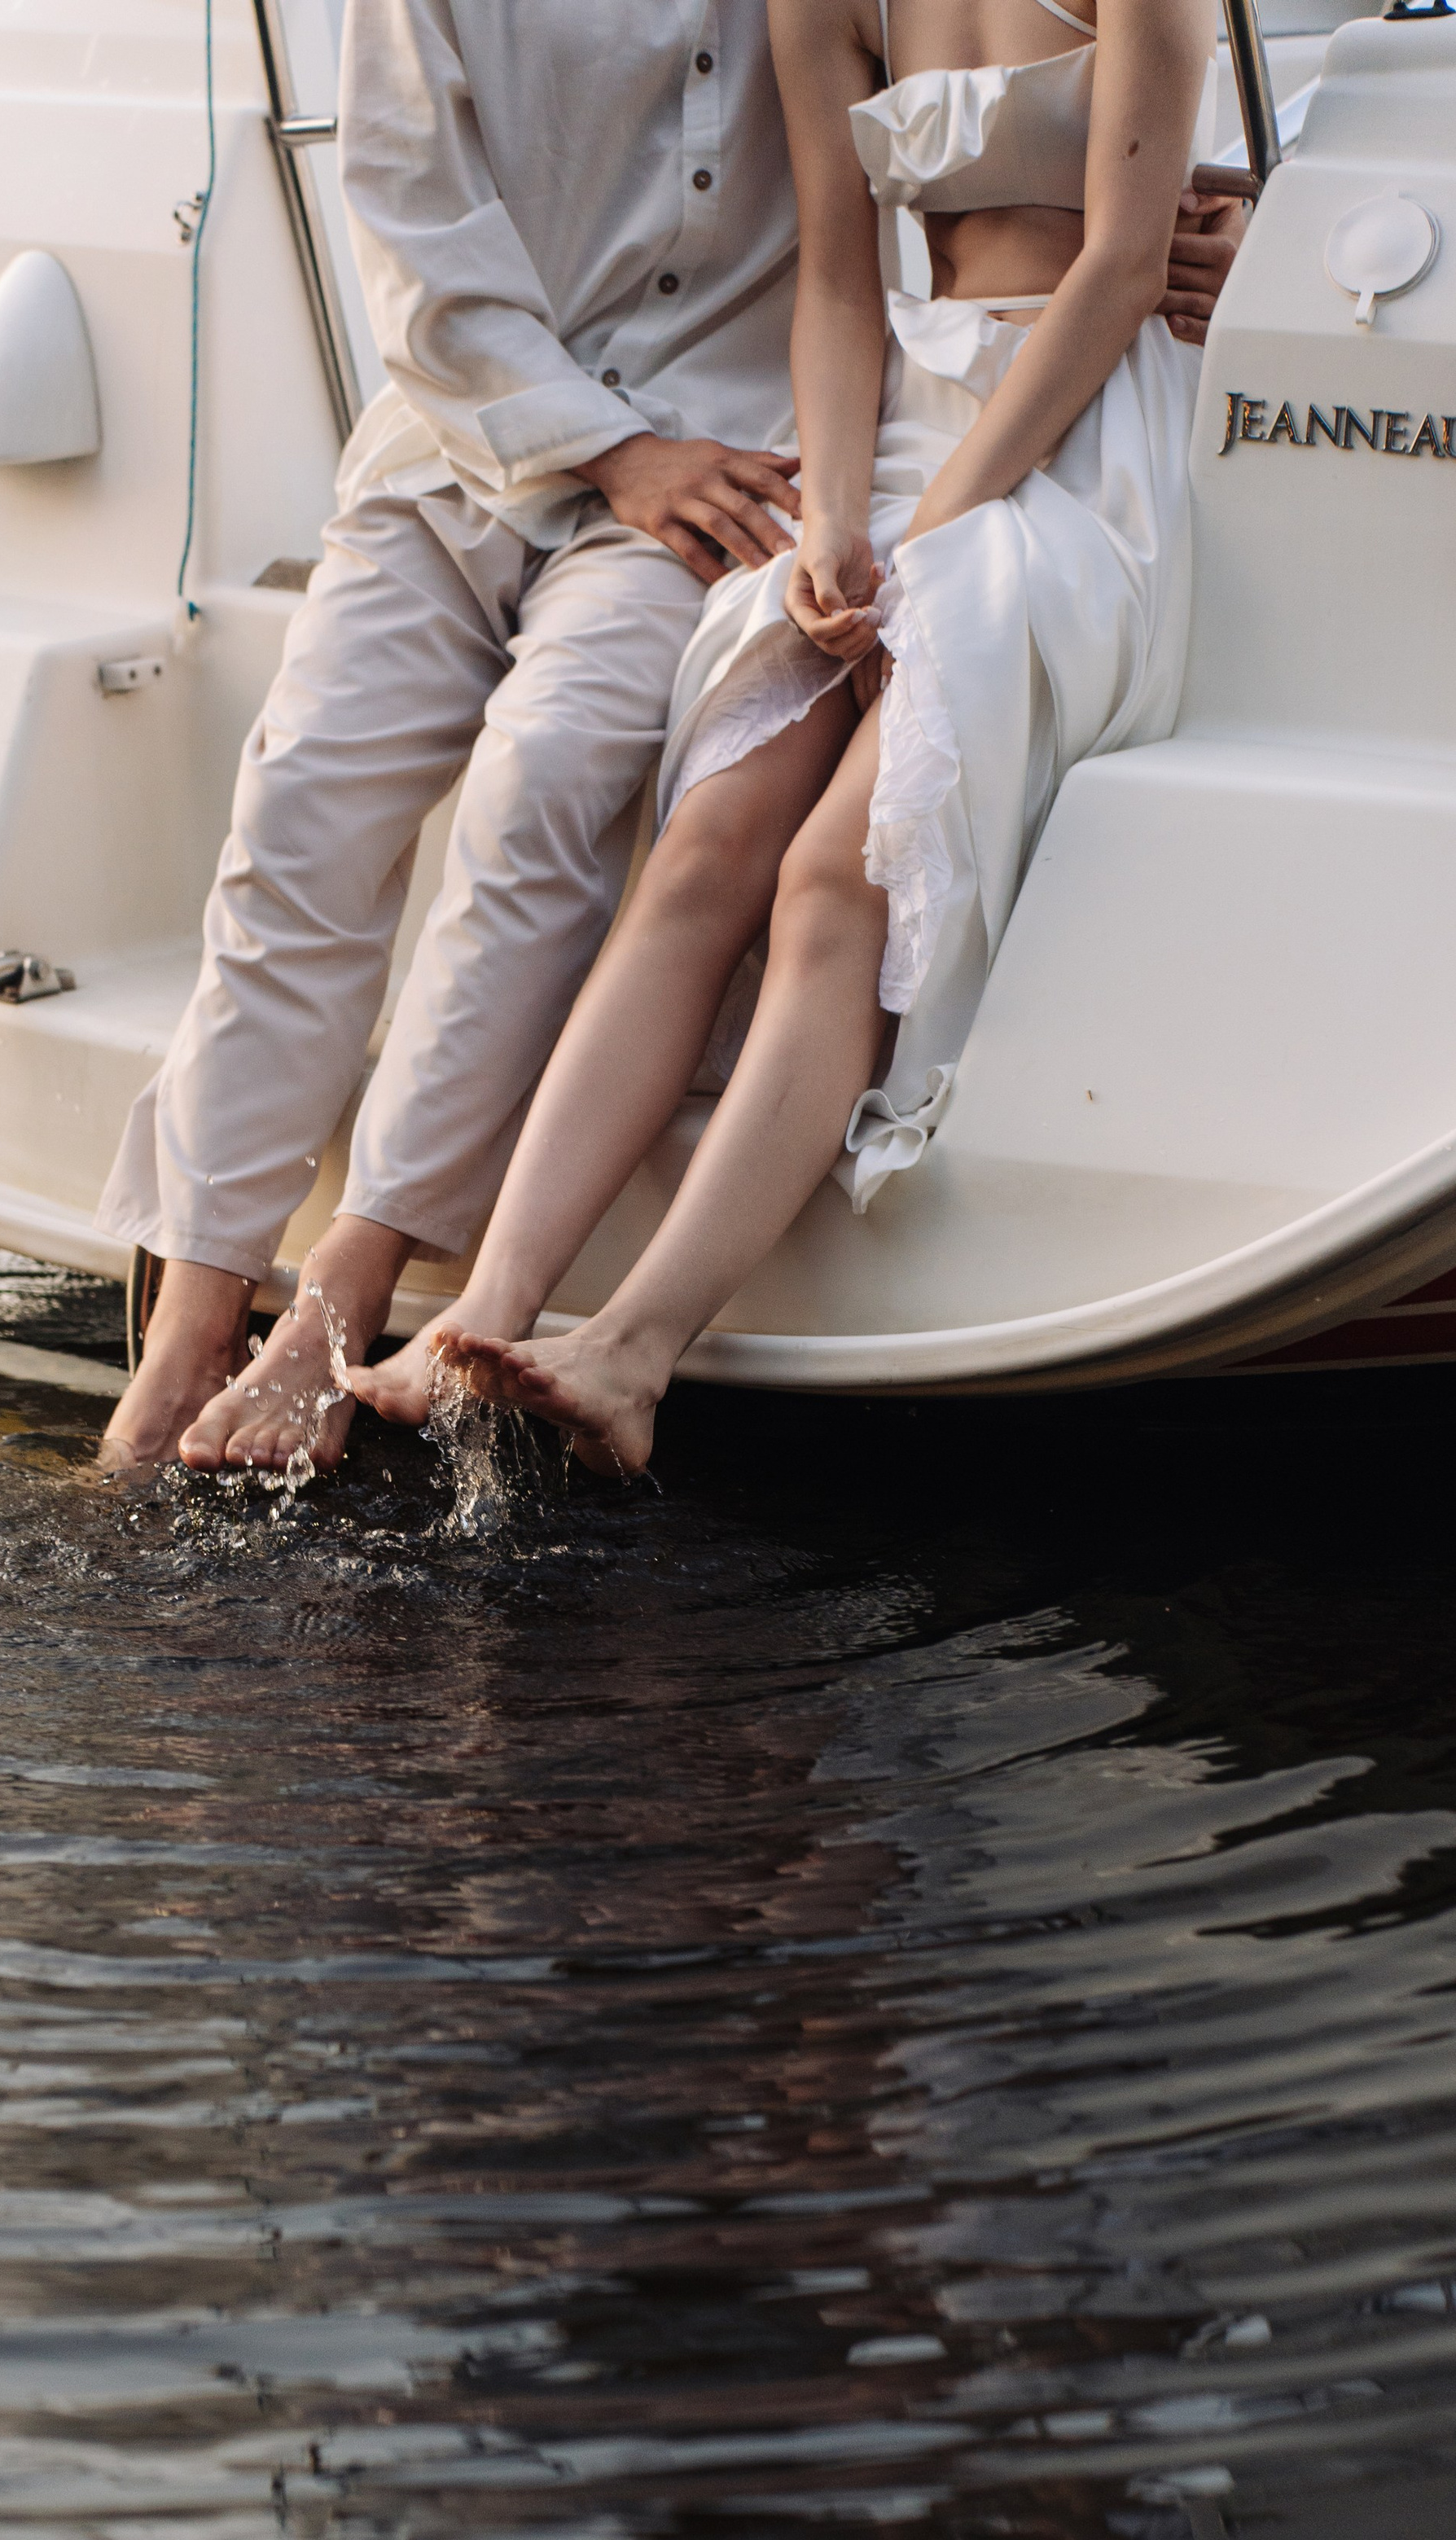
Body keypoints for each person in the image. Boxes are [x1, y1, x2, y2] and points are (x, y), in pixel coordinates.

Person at [353, 0, 1230, 1475]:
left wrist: (931, 542)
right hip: (901, 432)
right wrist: (831, 515)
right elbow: (837, 277)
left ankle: (630, 1356)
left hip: (1085, 449)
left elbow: (1123, 268)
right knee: (708, 846)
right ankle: (483, 1315)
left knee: (835, 874)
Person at [98, 2, 806, 1472]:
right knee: (302, 802)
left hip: (722, 462)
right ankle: (189, 1323)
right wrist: (609, 449)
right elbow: (412, 225)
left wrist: (1202, 209)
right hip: (458, 439)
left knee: (545, 778)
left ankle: (341, 1298)